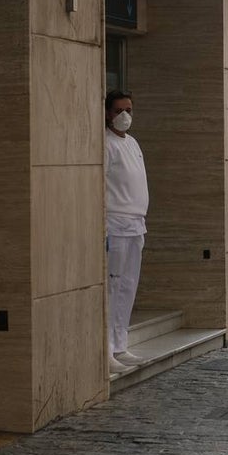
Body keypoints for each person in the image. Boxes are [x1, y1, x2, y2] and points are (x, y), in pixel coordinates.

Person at [104, 90, 149, 374]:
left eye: (129, 109)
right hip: (115, 224)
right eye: (119, 110)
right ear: (108, 113)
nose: (125, 116)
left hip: (136, 223)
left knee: (128, 286)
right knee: (112, 286)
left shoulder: (132, 143)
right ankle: (106, 347)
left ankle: (120, 342)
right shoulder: (105, 144)